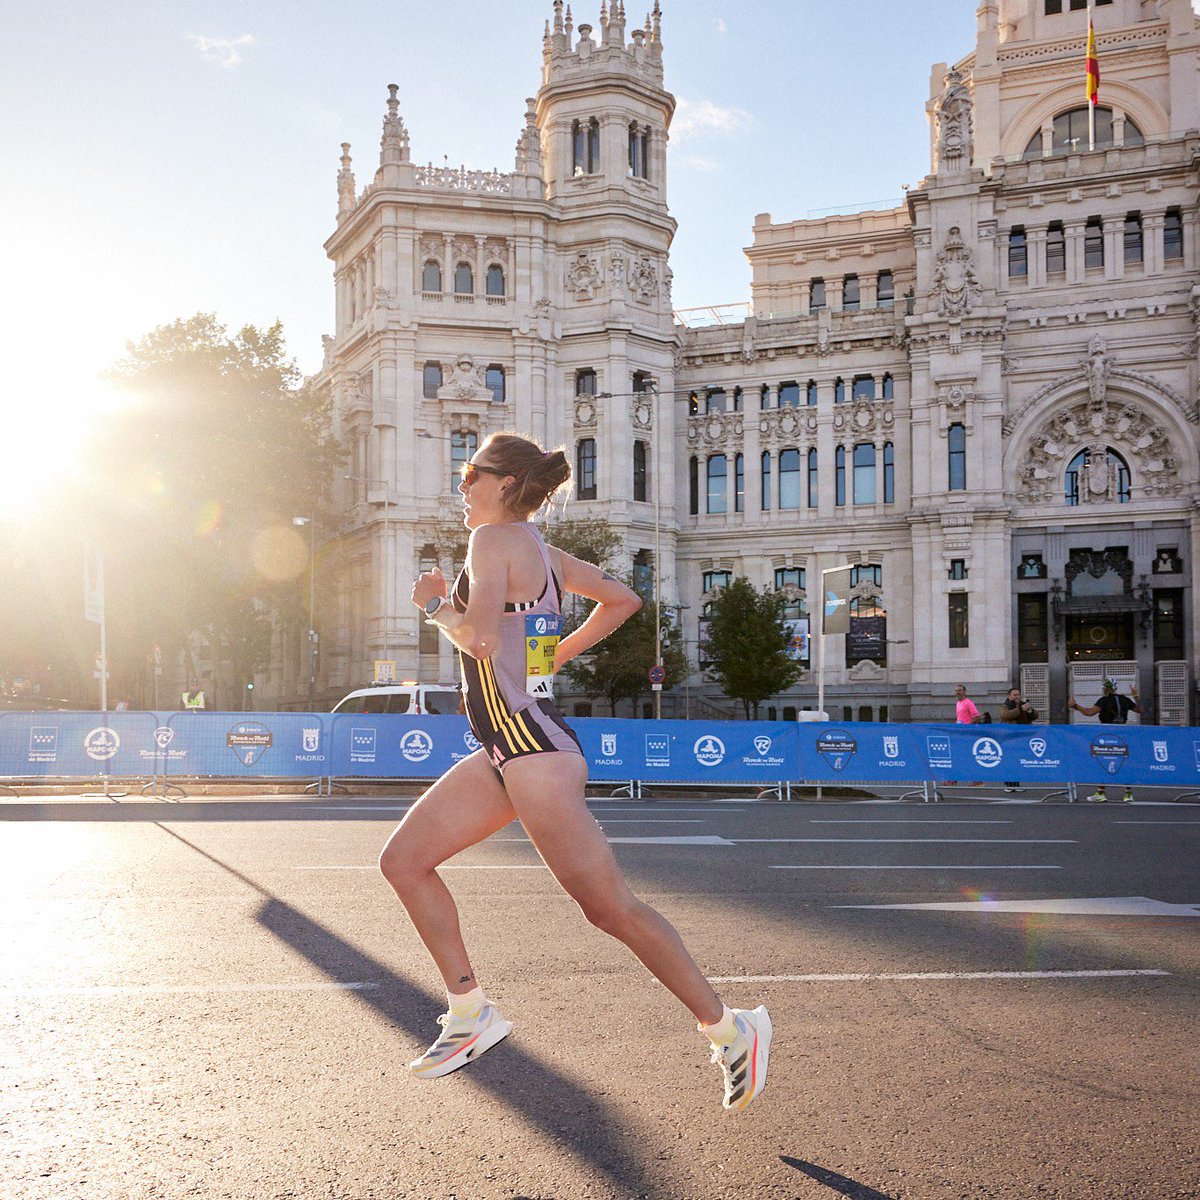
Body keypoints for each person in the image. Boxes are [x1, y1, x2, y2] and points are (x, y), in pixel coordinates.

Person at [379, 432, 771, 1112]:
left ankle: (731, 1029)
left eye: (470, 475)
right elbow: (622, 600)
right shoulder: (544, 553)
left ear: (504, 484)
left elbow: (474, 637)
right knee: (404, 860)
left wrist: (433, 603)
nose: (462, 488)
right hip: (510, 748)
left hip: (530, 748)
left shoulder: (494, 542)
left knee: (609, 906)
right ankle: (470, 1012)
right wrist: (555, 654)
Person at [1069, 678, 1139, 802]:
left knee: (1103, 761)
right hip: (1123, 734)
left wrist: (1075, 706)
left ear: (1106, 688)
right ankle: (1128, 793)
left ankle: (1101, 792)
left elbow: (1090, 712)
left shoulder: (1104, 700)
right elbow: (1141, 709)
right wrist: (1136, 696)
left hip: (1107, 734)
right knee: (1122, 762)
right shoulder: (1125, 700)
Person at [998, 686, 1037, 792]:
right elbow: (1005, 715)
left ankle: (1017, 783)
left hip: (1022, 736)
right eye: (1014, 695)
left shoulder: (1023, 704)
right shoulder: (1005, 706)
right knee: (1009, 760)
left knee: (1018, 760)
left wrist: (1030, 710)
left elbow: (1035, 716)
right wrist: (1020, 709)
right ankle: (1009, 784)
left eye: (1018, 694)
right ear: (1009, 696)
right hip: (1009, 737)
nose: (1017, 696)